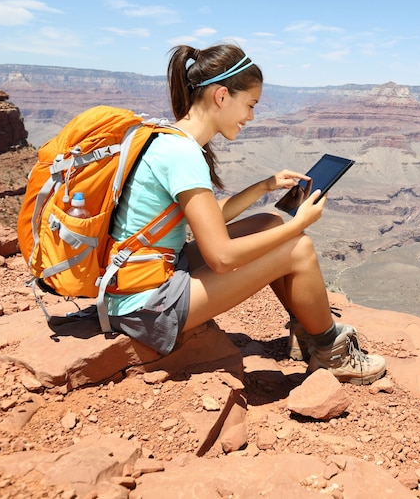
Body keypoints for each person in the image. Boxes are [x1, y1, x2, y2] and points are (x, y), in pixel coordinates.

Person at [103, 43, 386, 386]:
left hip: (143, 277)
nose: (251, 117)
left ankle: (306, 328)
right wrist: (300, 224)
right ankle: (332, 352)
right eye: (250, 105)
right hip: (147, 306)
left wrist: (264, 186)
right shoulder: (183, 155)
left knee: (268, 222)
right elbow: (221, 257)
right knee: (298, 247)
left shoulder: (170, 138)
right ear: (221, 96)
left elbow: (209, 216)